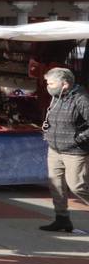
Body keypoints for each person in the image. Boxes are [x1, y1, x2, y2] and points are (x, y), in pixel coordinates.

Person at [39, 66, 89, 233]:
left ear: (65, 84)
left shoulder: (81, 99)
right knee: (56, 185)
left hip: (74, 151)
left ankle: (62, 219)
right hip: (54, 149)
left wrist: (77, 139)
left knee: (77, 186)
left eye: (51, 83)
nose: (48, 86)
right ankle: (62, 219)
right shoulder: (57, 97)